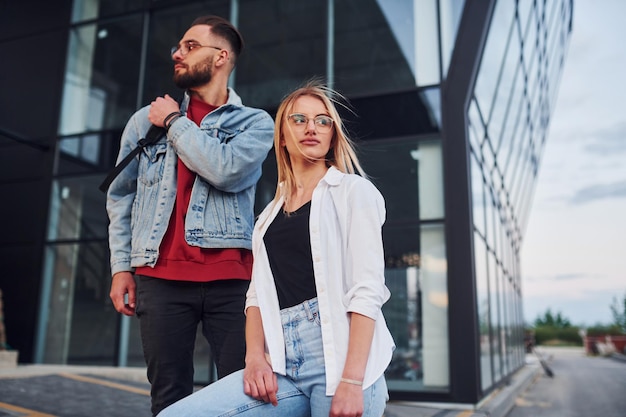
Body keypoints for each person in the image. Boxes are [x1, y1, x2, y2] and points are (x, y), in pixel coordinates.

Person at [158, 81, 395, 417]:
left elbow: (368, 290)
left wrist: (352, 381)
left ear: (332, 134)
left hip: (342, 360)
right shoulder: (268, 216)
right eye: (299, 119)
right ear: (282, 136)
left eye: (322, 121)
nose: (311, 127)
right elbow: (256, 296)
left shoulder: (354, 192)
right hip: (284, 364)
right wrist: (254, 357)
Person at [106, 15, 274, 416]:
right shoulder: (143, 122)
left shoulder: (254, 123)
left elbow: (225, 170)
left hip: (233, 281)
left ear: (221, 57)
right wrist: (120, 267)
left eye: (190, 46)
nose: (177, 54)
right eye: (177, 47)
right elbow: (120, 196)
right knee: (168, 397)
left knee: (242, 395)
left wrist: (175, 123)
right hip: (159, 279)